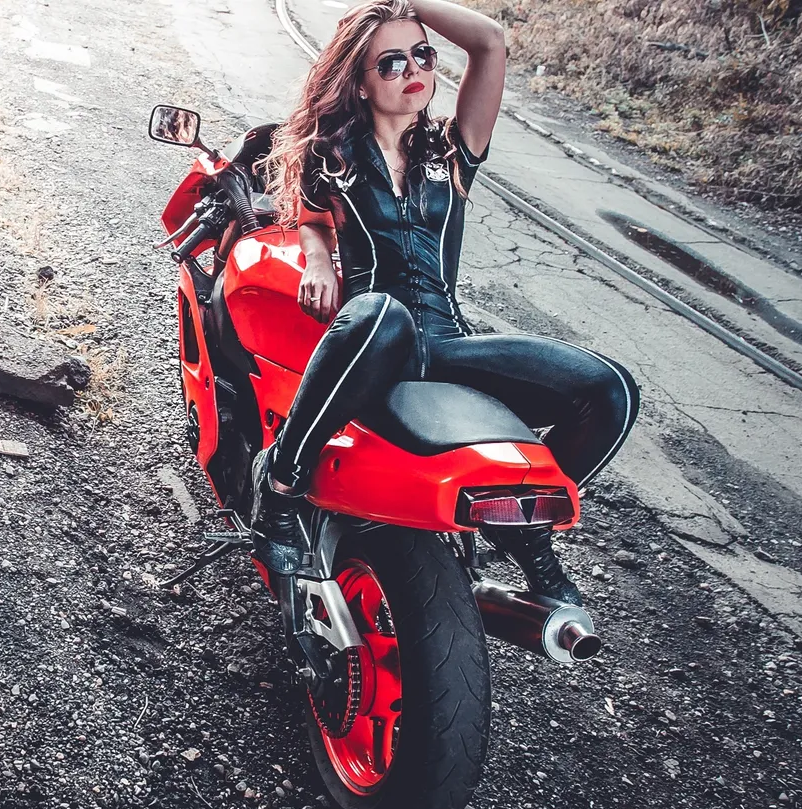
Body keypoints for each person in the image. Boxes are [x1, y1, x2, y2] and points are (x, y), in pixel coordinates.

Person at [253, 0, 640, 606]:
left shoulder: (451, 152)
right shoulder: (332, 154)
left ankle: (523, 531)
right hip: (374, 342)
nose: (414, 69)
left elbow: (489, 41)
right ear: (358, 79)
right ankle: (279, 478)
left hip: (447, 345)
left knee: (611, 389)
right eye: (391, 62)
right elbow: (310, 219)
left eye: (423, 55)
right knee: (386, 314)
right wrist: (322, 259)